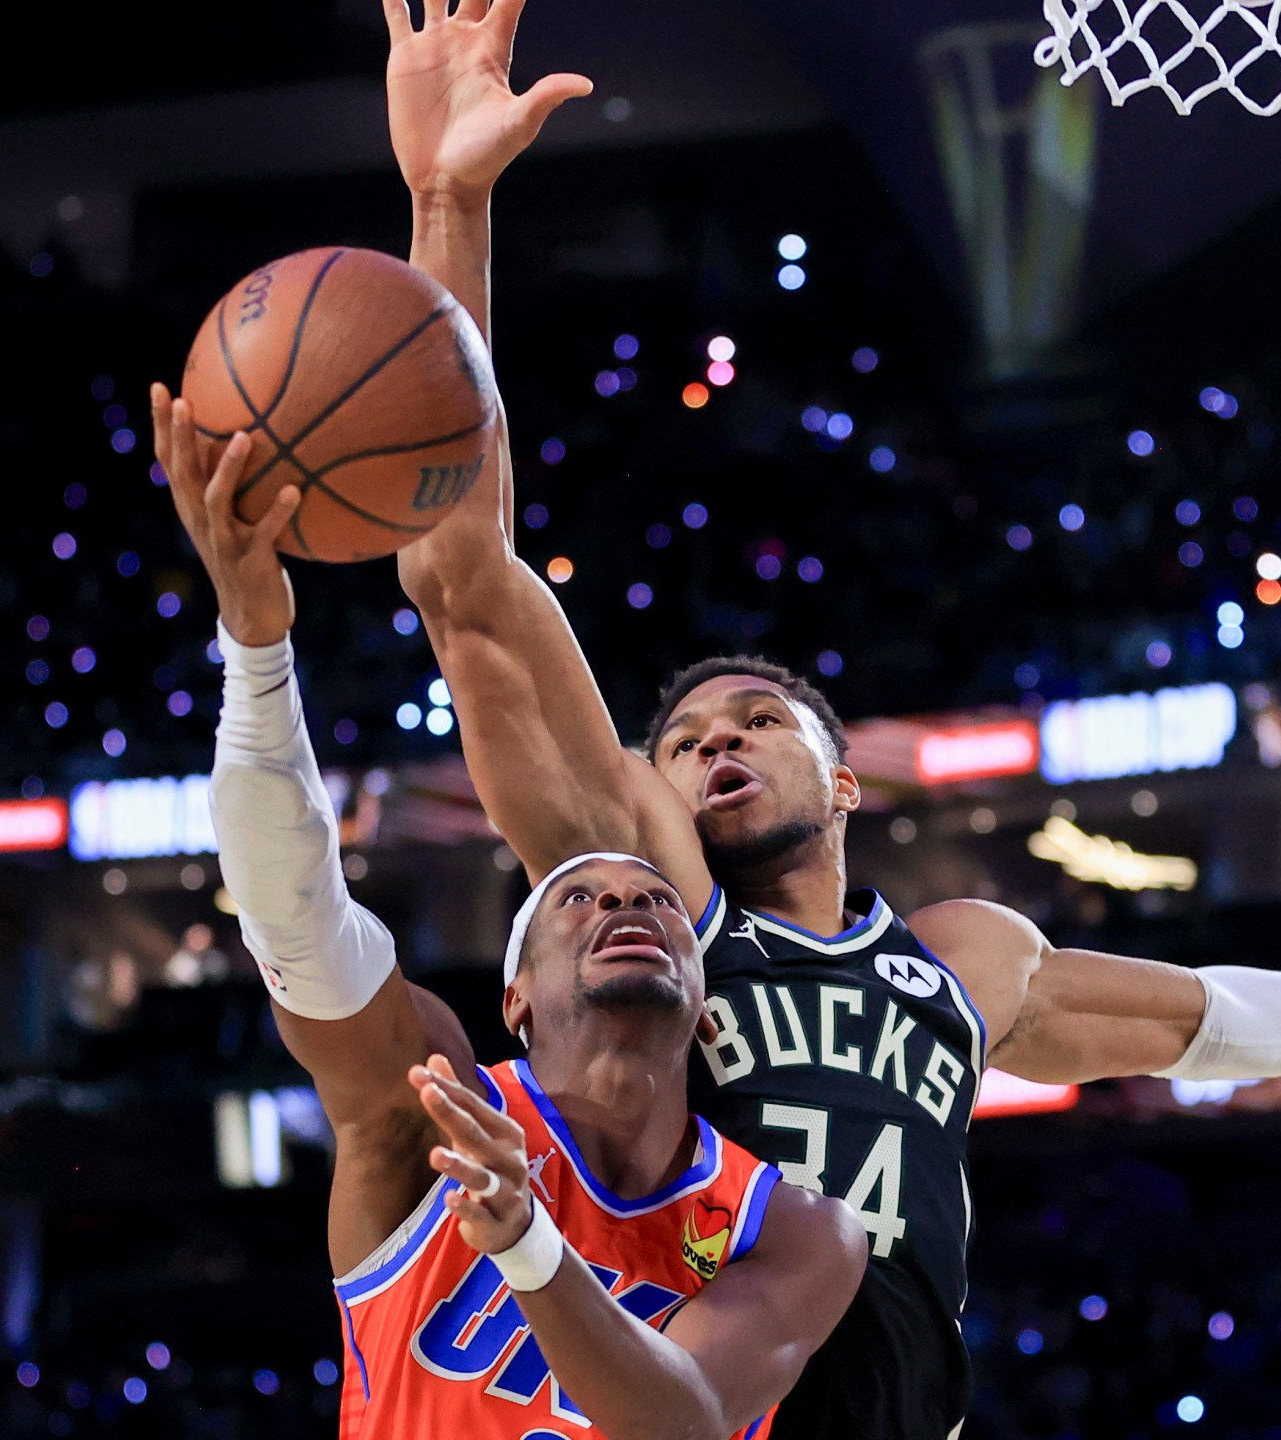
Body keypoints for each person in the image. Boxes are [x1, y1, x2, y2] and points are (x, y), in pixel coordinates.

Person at [359, 3, 1281, 1437]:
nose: (717, 742)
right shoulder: (655, 902)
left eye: (758, 721)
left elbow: (1207, 1025)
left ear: (845, 785)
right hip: (679, 1366)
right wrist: (449, 200)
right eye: (686, 739)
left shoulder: (964, 961)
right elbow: (463, 582)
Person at [154, 409, 865, 1438]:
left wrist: (528, 1241)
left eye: (658, 899)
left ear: (706, 1001)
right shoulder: (431, 1109)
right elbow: (297, 926)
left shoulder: (794, 1226)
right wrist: (257, 652)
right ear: (513, 995)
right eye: (576, 898)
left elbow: (688, 1421)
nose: (626, 900)